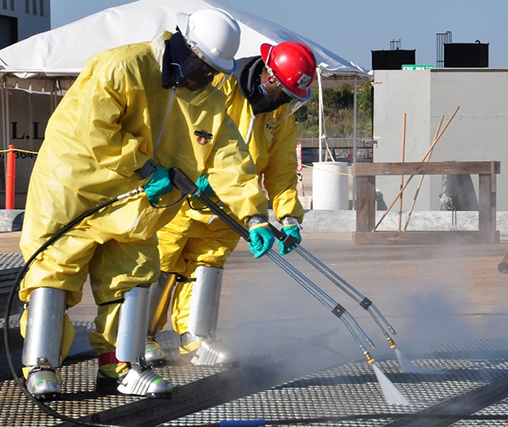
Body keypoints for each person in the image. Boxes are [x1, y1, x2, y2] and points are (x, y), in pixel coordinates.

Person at [19, 8, 275, 401]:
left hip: (137, 201)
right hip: (72, 188)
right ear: (183, 46)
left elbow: (229, 156)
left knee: (134, 274)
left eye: (211, 72)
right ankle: (41, 364)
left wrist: (254, 214)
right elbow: (93, 130)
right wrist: (142, 166)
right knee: (55, 269)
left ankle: (120, 367)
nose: (203, 78)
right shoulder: (121, 67)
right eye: (201, 67)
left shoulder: (204, 96)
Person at [144, 41, 317, 367]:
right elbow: (183, 126)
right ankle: (142, 336)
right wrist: (196, 171)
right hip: (183, 197)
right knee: (162, 262)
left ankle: (196, 337)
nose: (287, 102)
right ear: (269, 77)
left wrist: (289, 217)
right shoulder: (218, 84)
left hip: (234, 206)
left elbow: (280, 170)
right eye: (286, 94)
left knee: (207, 265)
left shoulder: (278, 115)